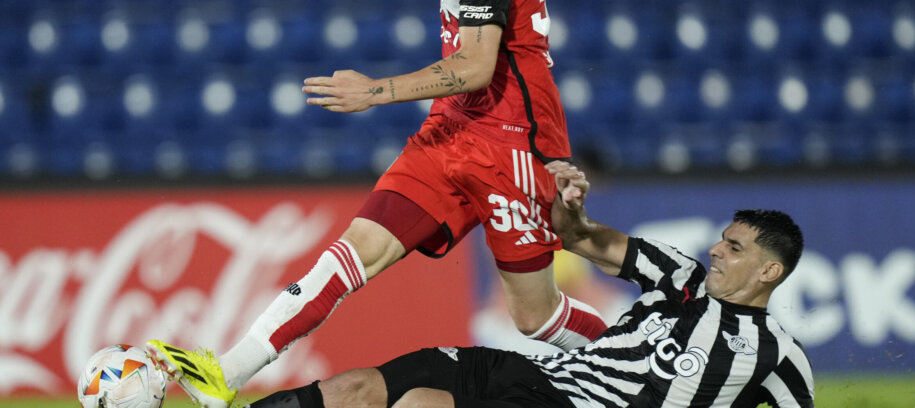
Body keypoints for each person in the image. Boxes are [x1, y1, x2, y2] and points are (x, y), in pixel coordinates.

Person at [146, 0, 649, 406]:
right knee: (353, 251)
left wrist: (374, 91)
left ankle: (645, 368)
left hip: (515, 144)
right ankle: (227, 373)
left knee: (536, 317)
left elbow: (476, 66)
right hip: (454, 129)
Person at [247, 161, 816, 408]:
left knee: (420, 404)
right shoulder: (680, 276)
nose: (716, 249)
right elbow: (584, 239)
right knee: (357, 390)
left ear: (770, 271)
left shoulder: (778, 354)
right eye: (722, 238)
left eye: (734, 248)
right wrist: (567, 206)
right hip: (535, 374)